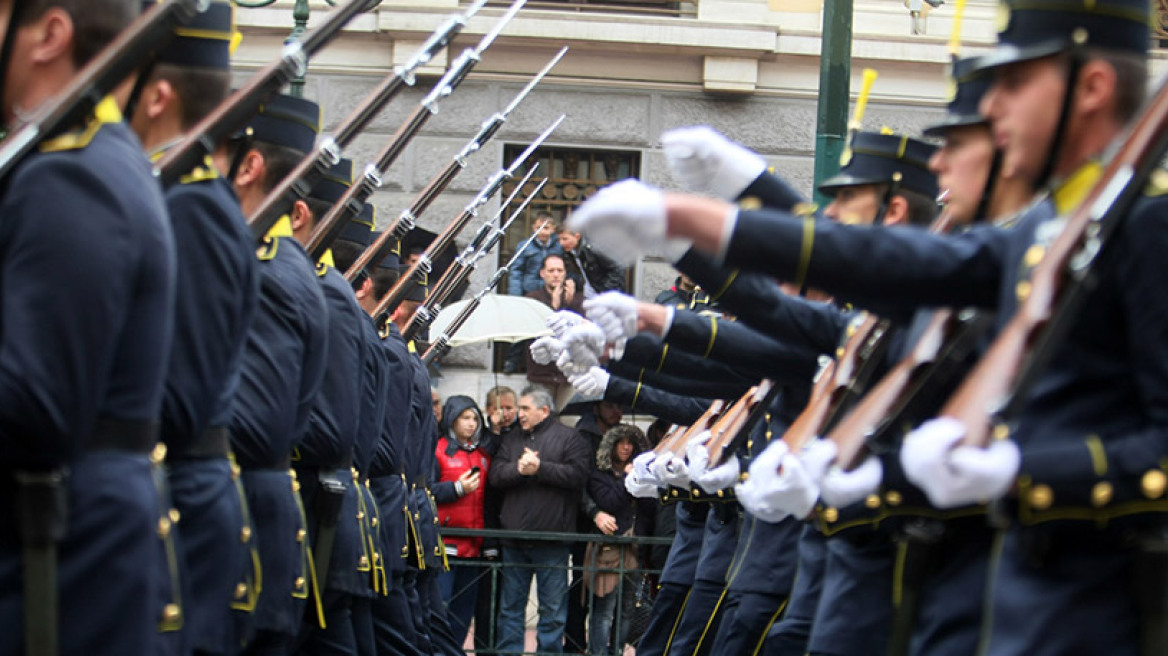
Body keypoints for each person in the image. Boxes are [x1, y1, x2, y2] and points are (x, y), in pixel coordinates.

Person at [571, 0, 1165, 652]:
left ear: (1094, 87)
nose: (995, 110)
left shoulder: (1145, 226)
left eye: (1015, 84)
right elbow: (877, 261)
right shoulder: (1043, 232)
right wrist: (700, 222)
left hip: (1091, 607)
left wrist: (1021, 470)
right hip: (986, 590)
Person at [0, 2, 175, 655]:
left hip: (55, 557)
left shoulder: (72, 173)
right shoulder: (89, 160)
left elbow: (33, 405)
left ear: (50, 34)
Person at [123, 4, 259, 654]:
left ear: (156, 93)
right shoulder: (193, 201)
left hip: (180, 490)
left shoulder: (192, 210)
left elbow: (180, 394)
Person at [489, 385, 592, 655]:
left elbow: (578, 476)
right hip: (515, 540)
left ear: (544, 411)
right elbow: (496, 475)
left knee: (552, 612)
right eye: (520, 408)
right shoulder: (511, 440)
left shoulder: (570, 438)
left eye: (525, 408)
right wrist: (518, 470)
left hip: (552, 541)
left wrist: (541, 468)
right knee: (510, 610)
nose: (520, 414)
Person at [583, 424, 651, 656]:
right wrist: (627, 479)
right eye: (621, 442)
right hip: (608, 548)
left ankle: (617, 651)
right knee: (604, 608)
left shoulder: (642, 473)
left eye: (630, 443)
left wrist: (640, 477)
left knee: (628, 610)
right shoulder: (599, 473)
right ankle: (599, 653)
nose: (626, 447)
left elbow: (651, 506)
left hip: (635, 549)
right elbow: (609, 502)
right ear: (611, 445)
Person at [432, 395, 490, 645]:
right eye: (465, 417)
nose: (471, 424)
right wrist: (456, 489)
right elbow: (425, 491)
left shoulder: (483, 455)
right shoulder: (437, 450)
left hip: (473, 547)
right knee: (439, 610)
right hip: (445, 545)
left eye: (475, 418)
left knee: (463, 615)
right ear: (452, 420)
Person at [504, 212, 563, 373]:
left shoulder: (558, 246)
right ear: (533, 228)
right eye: (539, 227)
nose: (542, 231)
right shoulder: (525, 245)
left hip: (550, 292)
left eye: (547, 228)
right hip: (529, 291)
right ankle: (513, 360)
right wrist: (515, 296)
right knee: (523, 327)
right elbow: (516, 270)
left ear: (553, 229)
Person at [526, 254, 586, 405]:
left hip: (570, 375)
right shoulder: (533, 298)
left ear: (565, 273)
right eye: (551, 270)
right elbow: (535, 331)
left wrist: (570, 304)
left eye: (560, 270)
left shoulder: (579, 300)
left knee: (567, 422)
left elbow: (584, 332)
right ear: (542, 273)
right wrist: (553, 307)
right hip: (541, 375)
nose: (556, 275)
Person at [557, 228, 626, 299]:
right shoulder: (568, 253)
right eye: (559, 240)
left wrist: (605, 290)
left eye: (565, 239)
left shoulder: (594, 248)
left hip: (605, 294)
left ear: (577, 236)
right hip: (588, 295)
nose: (561, 243)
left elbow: (617, 267)